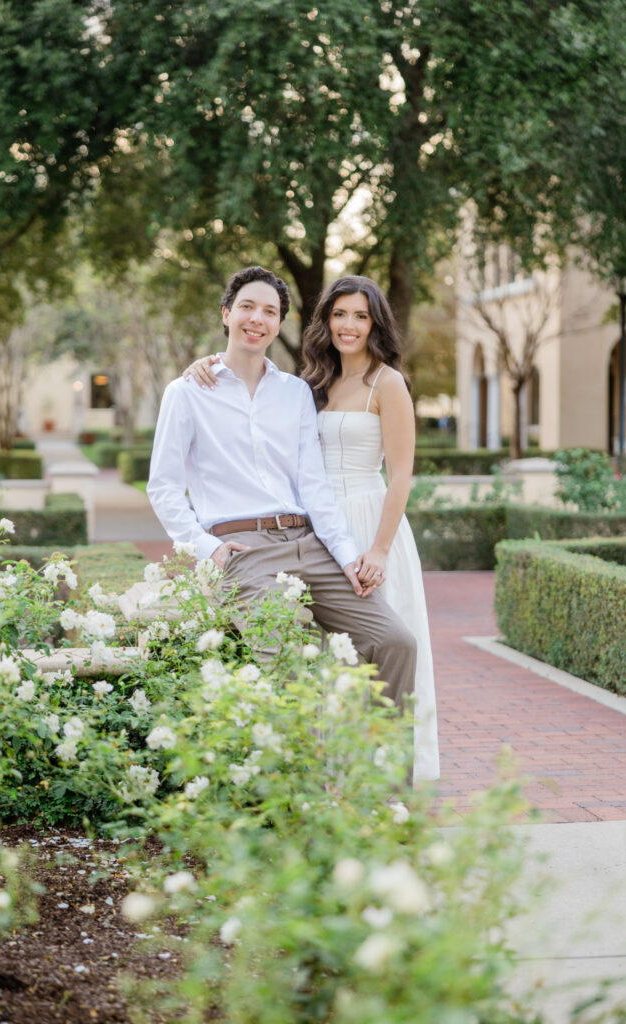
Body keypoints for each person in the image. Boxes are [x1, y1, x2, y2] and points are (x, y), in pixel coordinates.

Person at [185, 274, 439, 783]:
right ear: (324, 320)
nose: (349, 325)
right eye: (340, 314)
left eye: (361, 316)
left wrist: (379, 549)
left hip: (368, 520)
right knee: (324, 658)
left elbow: (401, 473)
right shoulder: (311, 384)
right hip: (315, 525)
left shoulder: (387, 382)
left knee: (388, 642)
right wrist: (207, 363)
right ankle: (332, 773)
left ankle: (387, 777)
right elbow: (255, 393)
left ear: (376, 324)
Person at [147, 266, 417, 717]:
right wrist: (208, 549)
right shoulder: (187, 391)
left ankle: (384, 763)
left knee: (395, 641)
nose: (257, 318)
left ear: (279, 324)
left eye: (269, 311)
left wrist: (347, 557)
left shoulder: (295, 393)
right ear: (226, 314)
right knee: (292, 664)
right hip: (243, 550)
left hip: (308, 543)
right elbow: (164, 487)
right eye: (247, 307)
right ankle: (309, 766)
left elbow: (314, 486)